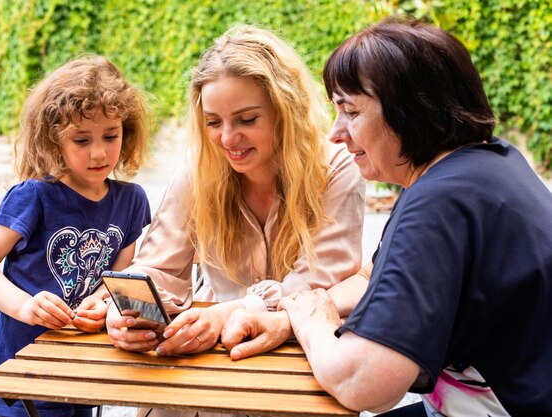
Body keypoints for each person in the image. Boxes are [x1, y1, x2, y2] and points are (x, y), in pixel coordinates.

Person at [221, 17, 552, 417]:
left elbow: (363, 382)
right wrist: (298, 311)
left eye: (351, 111)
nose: (336, 134)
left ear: (411, 110)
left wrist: (312, 327)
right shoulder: (485, 166)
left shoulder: (439, 201)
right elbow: (373, 279)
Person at [105, 24, 364, 416]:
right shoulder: (199, 170)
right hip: (210, 367)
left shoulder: (335, 167)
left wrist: (229, 311)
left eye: (246, 120)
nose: (228, 138)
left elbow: (315, 285)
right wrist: (125, 309)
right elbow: (156, 266)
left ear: (285, 110)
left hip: (303, 364)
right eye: (213, 122)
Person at [0, 55, 152, 417]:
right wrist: (23, 306)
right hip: (24, 366)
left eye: (110, 136)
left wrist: (100, 302)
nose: (99, 152)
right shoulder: (33, 196)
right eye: (81, 140)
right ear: (55, 141)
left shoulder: (132, 200)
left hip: (83, 363)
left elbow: (121, 272)